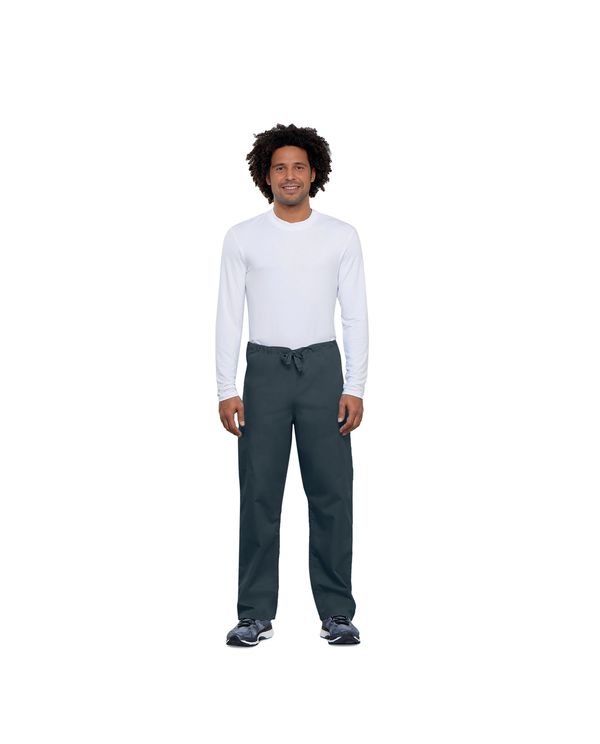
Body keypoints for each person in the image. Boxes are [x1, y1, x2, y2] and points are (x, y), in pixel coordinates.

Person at [215, 123, 369, 646]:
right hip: (264, 372)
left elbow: (355, 315)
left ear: (314, 172)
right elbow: (228, 315)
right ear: (266, 175)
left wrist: (355, 385)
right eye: (279, 167)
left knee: (332, 494)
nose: (289, 175)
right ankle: (254, 613)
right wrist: (225, 388)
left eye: (298, 166)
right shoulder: (243, 237)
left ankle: (337, 612)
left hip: (323, 370)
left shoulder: (341, 236)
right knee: (259, 494)